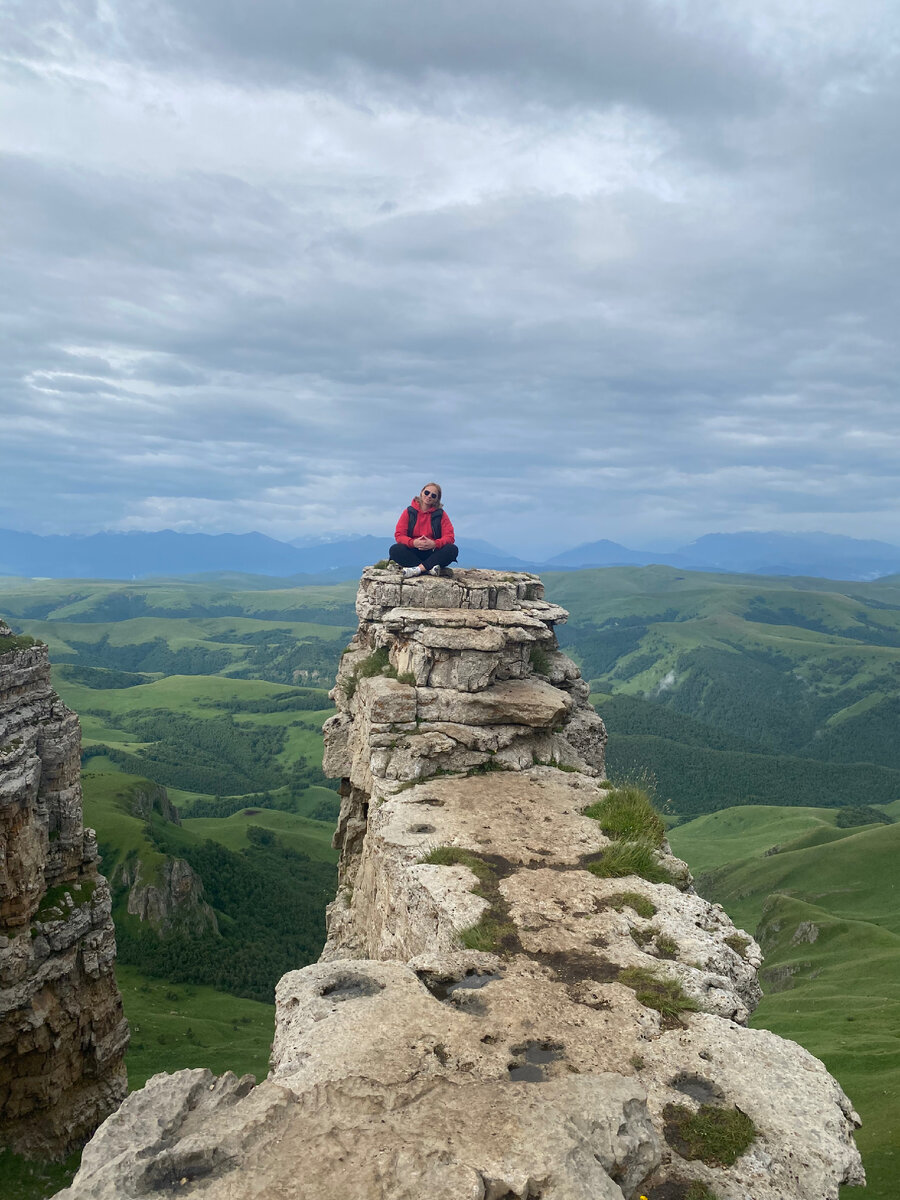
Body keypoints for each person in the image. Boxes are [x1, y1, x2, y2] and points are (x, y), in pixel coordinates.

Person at [388, 482, 459, 577]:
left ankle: (418, 569)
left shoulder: (440, 515)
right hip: (413, 551)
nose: (429, 496)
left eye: (433, 495)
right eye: (427, 493)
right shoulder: (409, 512)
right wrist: (413, 543)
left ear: (437, 499)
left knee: (452, 549)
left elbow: (450, 537)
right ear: (421, 492)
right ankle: (429, 569)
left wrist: (434, 544)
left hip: (433, 552)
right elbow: (399, 535)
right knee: (395, 550)